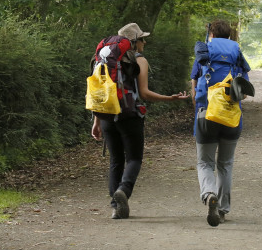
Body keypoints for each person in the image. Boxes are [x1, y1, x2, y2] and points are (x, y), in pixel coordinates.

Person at [91, 22, 189, 219]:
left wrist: (96, 121)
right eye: (142, 39)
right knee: (134, 158)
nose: (145, 43)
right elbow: (144, 93)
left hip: (107, 114)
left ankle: (115, 206)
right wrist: (170, 98)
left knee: (116, 160)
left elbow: (99, 91)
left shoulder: (103, 59)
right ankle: (123, 191)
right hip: (130, 114)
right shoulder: (139, 60)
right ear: (134, 42)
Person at [190, 20, 251, 227]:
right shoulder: (237, 56)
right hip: (232, 117)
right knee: (225, 164)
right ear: (230, 37)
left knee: (204, 162)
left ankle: (209, 194)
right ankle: (223, 210)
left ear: (212, 34)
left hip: (205, 115)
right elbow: (245, 90)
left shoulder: (203, 53)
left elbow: (193, 89)